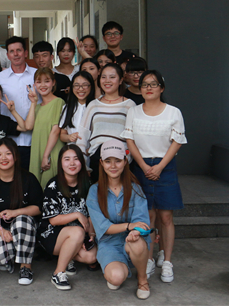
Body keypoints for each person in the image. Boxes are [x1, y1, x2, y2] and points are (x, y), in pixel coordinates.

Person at [121, 70, 187, 284]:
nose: (148, 88)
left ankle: (166, 261)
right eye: (144, 84)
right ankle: (148, 259)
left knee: (166, 217)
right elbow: (129, 139)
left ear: (161, 88)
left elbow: (177, 141)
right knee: (147, 216)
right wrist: (142, 165)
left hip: (165, 166)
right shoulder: (134, 111)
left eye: (153, 84)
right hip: (141, 166)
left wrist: (159, 167)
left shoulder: (173, 112)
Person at [86, 140, 151, 299]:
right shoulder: (94, 191)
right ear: (101, 163)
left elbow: (142, 221)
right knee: (116, 278)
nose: (113, 166)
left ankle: (142, 279)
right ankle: (120, 268)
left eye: (118, 160)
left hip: (133, 240)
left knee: (136, 243)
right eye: (108, 161)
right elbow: (103, 226)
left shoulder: (135, 188)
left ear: (125, 161)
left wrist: (135, 231)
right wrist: (129, 226)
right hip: (109, 243)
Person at [0, 138, 43, 286]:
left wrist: (16, 212)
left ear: (16, 156)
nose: (3, 158)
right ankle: (15, 254)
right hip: (0, 229)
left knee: (22, 221)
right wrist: (1, 231)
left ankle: (25, 267)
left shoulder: (28, 179)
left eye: (8, 153)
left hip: (24, 227)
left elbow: (38, 207)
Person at [38, 145, 97, 290]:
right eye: (67, 159)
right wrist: (77, 214)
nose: (72, 163)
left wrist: (91, 234)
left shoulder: (87, 185)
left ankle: (68, 256)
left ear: (81, 162)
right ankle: (58, 273)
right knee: (77, 232)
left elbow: (90, 214)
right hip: (52, 234)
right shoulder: (53, 185)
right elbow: (54, 220)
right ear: (60, 163)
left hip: (78, 234)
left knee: (91, 257)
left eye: (76, 159)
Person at [77, 63, 136, 182]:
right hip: (97, 158)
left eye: (112, 77)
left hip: (120, 159)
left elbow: (134, 137)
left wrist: (127, 159)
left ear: (121, 80)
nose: (107, 81)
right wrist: (84, 164)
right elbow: (82, 135)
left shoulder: (129, 105)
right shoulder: (93, 105)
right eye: (103, 77)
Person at [0, 36, 37, 169]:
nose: (16, 54)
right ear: (7, 55)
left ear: (25, 53)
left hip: (34, 139)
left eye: (19, 50)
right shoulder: (0, 78)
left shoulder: (36, 75)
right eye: (12, 51)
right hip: (9, 140)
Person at [29, 67, 66, 188]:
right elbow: (28, 126)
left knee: (49, 188)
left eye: (47, 81)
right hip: (37, 151)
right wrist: (33, 103)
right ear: (34, 84)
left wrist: (46, 156)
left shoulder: (58, 102)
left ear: (53, 83)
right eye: (39, 81)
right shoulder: (37, 107)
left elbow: (55, 131)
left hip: (51, 152)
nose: (43, 85)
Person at [59, 71, 96, 146]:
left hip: (90, 150)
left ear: (91, 86)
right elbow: (62, 135)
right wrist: (69, 137)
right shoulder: (67, 107)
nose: (80, 89)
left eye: (85, 85)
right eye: (76, 85)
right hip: (72, 149)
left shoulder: (96, 107)